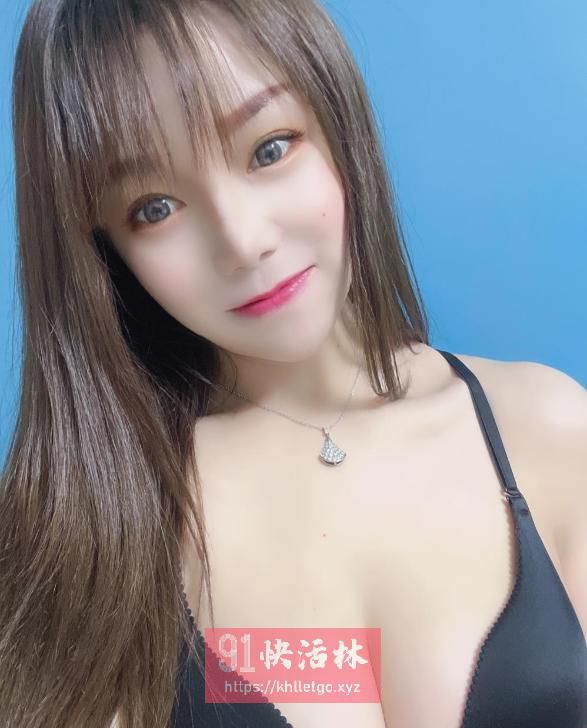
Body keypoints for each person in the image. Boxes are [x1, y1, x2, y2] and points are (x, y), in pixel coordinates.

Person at [1, 0, 585, 727]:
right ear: (103, 250)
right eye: (154, 207)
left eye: (269, 149)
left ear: (336, 120)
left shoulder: (548, 429)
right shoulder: (86, 531)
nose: (243, 241)